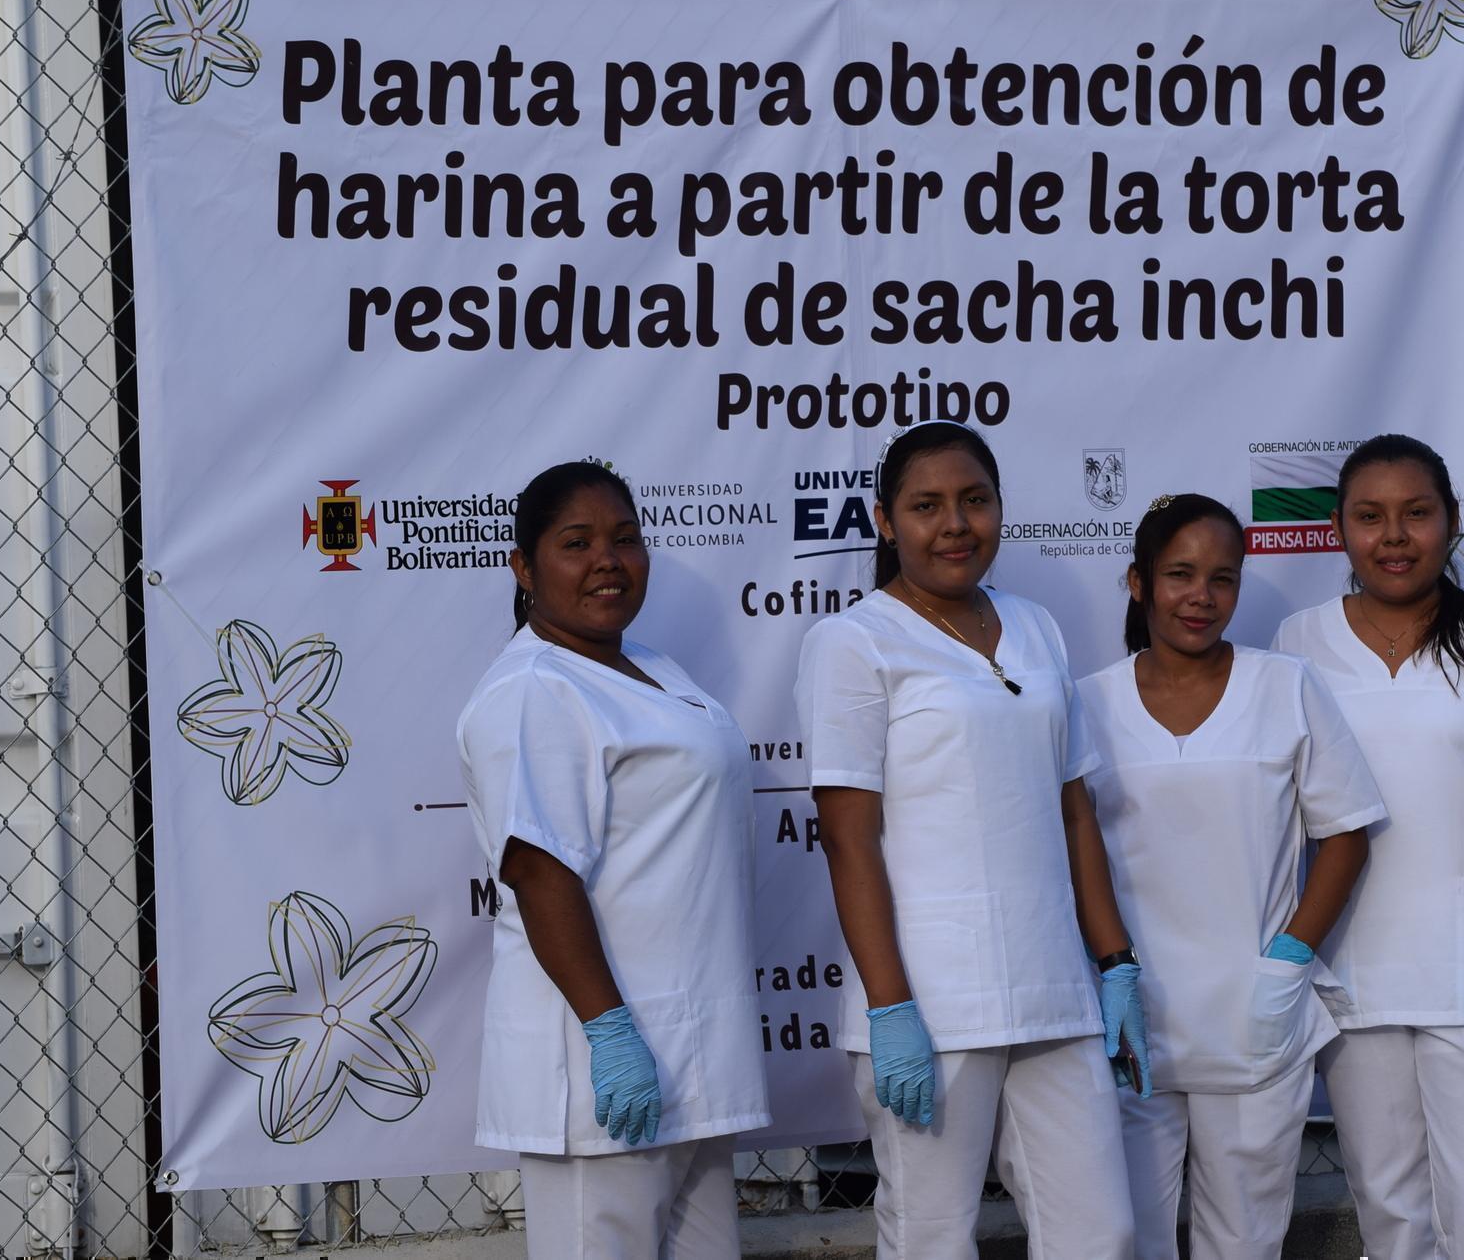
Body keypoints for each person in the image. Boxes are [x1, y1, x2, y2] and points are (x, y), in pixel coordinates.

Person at [795, 420, 1142, 1260]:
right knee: (932, 1239)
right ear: (884, 521)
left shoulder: (1036, 627)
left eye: (974, 500)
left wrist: (1115, 961)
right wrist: (891, 1006)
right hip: (932, 1004)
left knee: (1100, 1232)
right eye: (926, 505)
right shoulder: (854, 642)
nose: (955, 523)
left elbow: (1072, 810)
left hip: (1054, 994)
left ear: (999, 509)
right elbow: (849, 839)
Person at [456, 461, 769, 1260]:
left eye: (625, 539)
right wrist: (611, 1032)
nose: (608, 559)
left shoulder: (654, 669)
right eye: (577, 542)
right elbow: (537, 871)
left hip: (692, 1062)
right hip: (603, 1071)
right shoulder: (533, 688)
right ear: (524, 567)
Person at [1079, 492, 1386, 1260]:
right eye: (1180, 574)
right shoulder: (1087, 702)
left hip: (1254, 1013)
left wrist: (1288, 961)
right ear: (1138, 581)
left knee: (1245, 1240)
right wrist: (1111, 970)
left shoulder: (1284, 685)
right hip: (1131, 1020)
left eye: (1223, 577)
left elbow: (1346, 835)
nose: (1202, 596)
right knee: (1127, 1235)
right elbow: (1073, 849)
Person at [1273, 435, 1464, 1258]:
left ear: (1454, 522)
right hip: (1352, 973)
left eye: (1416, 513)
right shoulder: (1299, 641)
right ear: (1338, 530)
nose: (1393, 536)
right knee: (1390, 1212)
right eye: (1370, 517)